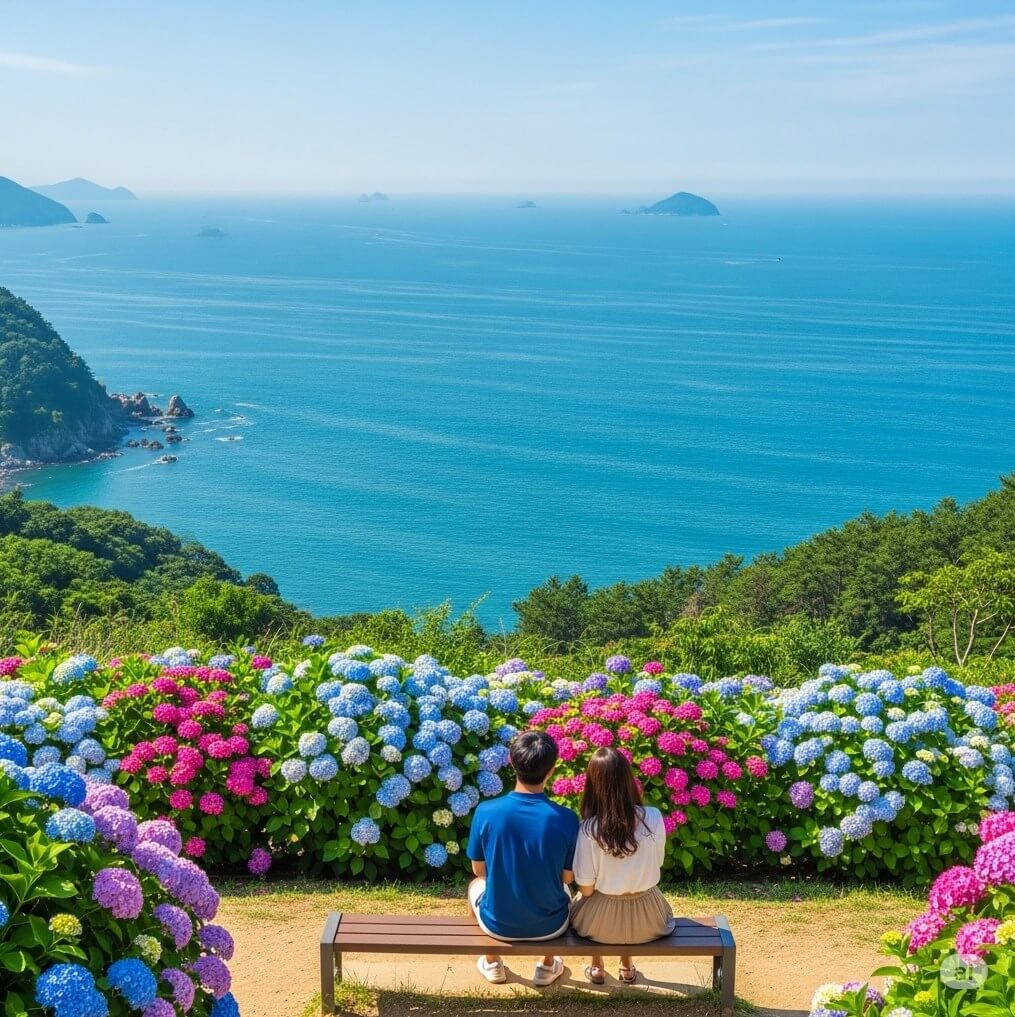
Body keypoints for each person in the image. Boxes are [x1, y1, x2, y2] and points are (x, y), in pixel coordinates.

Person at [467, 730, 579, 986]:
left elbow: (478, 871)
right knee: (563, 889)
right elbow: (567, 877)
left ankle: (492, 961)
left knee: (475, 886)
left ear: (511, 761)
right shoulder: (566, 818)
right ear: (551, 770)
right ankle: (547, 965)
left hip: (498, 924)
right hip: (552, 926)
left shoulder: (486, 812)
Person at [570, 747, 674, 985]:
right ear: (628, 779)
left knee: (584, 899)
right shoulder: (654, 817)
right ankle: (626, 965)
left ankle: (596, 965)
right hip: (650, 920)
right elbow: (657, 864)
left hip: (601, 926)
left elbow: (586, 889)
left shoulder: (589, 829)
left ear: (592, 784)